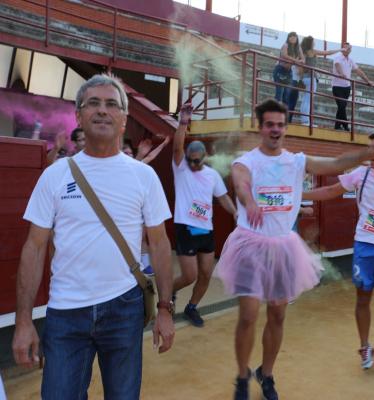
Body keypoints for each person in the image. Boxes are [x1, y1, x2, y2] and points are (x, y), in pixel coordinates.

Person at [11, 74, 175, 399]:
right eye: (93, 104)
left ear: (124, 120)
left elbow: (159, 244)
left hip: (125, 307)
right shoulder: (54, 176)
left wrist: (166, 310)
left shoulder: (144, 176)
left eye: (112, 104)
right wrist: (23, 321)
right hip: (65, 312)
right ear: (79, 115)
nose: (103, 111)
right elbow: (34, 247)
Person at [216, 99, 374, 400]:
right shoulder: (247, 161)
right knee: (249, 314)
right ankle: (242, 375)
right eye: (270, 124)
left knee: (278, 314)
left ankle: (265, 374)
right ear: (260, 127)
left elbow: (335, 164)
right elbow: (241, 184)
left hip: (283, 246)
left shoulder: (295, 161)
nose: (275, 130)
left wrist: (368, 153)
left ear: (285, 127)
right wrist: (250, 201)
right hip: (251, 244)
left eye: (280, 124)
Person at [303, 130, 374, 370]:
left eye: (373, 149)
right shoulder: (360, 174)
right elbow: (329, 191)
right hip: (365, 247)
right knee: (362, 298)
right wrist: (297, 195)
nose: (367, 153)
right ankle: (364, 344)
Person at [172, 104, 237, 327]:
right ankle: (168, 292)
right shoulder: (181, 169)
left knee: (206, 274)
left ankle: (192, 307)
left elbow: (223, 198)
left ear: (204, 157)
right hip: (185, 226)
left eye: (197, 160)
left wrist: (235, 211)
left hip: (205, 229)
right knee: (188, 276)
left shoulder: (212, 176)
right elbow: (177, 148)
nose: (192, 163)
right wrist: (183, 122)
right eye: (190, 159)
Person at [122, 136, 172, 276]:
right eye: (125, 153)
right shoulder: (116, 170)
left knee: (143, 237)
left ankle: (145, 264)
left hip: (137, 207)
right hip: (123, 209)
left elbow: (150, 155)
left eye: (130, 153)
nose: (128, 155)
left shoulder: (139, 166)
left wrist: (163, 144)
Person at [298, 36, 343, 126]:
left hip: (305, 77)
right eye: (313, 41)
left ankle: (305, 120)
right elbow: (327, 53)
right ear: (310, 43)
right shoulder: (312, 51)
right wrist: (340, 49)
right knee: (308, 100)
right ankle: (305, 121)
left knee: (306, 99)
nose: (314, 43)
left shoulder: (302, 51)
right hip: (311, 77)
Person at [331, 43, 373, 131]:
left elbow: (358, 71)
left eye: (349, 48)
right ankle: (346, 125)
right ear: (343, 48)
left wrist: (367, 81)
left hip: (346, 87)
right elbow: (337, 65)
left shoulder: (350, 60)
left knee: (341, 107)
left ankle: (337, 126)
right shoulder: (338, 57)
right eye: (346, 48)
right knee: (342, 105)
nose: (348, 49)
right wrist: (341, 73)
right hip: (337, 86)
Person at [272, 32, 304, 104]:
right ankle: (275, 113)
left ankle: (282, 114)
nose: (292, 38)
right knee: (279, 94)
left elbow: (303, 59)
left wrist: (300, 60)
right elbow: (284, 55)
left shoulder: (298, 47)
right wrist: (296, 60)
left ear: (297, 38)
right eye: (291, 36)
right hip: (280, 70)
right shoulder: (285, 45)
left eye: (294, 37)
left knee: (286, 96)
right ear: (288, 38)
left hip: (289, 71)